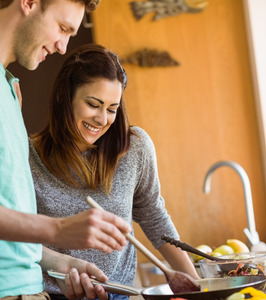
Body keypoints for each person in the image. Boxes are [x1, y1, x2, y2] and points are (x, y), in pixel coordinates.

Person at [0, 1, 132, 299]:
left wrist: (59, 263)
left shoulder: (9, 86)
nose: (63, 47)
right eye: (63, 28)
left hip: (28, 290)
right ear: (29, 3)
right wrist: (57, 229)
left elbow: (2, 216)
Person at [29, 43, 199, 300]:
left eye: (112, 108)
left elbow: (154, 216)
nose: (102, 119)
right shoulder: (28, 155)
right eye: (93, 104)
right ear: (63, 97)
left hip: (117, 293)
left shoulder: (135, 148)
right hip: (48, 294)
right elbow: (16, 235)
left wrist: (197, 286)